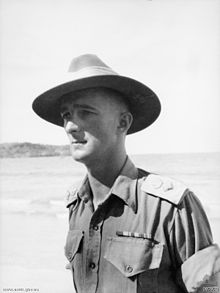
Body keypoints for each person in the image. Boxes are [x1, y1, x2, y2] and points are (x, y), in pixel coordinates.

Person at [32, 54, 220, 293]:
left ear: (123, 123)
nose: (70, 125)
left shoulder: (174, 209)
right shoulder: (76, 206)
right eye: (66, 115)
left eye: (85, 112)